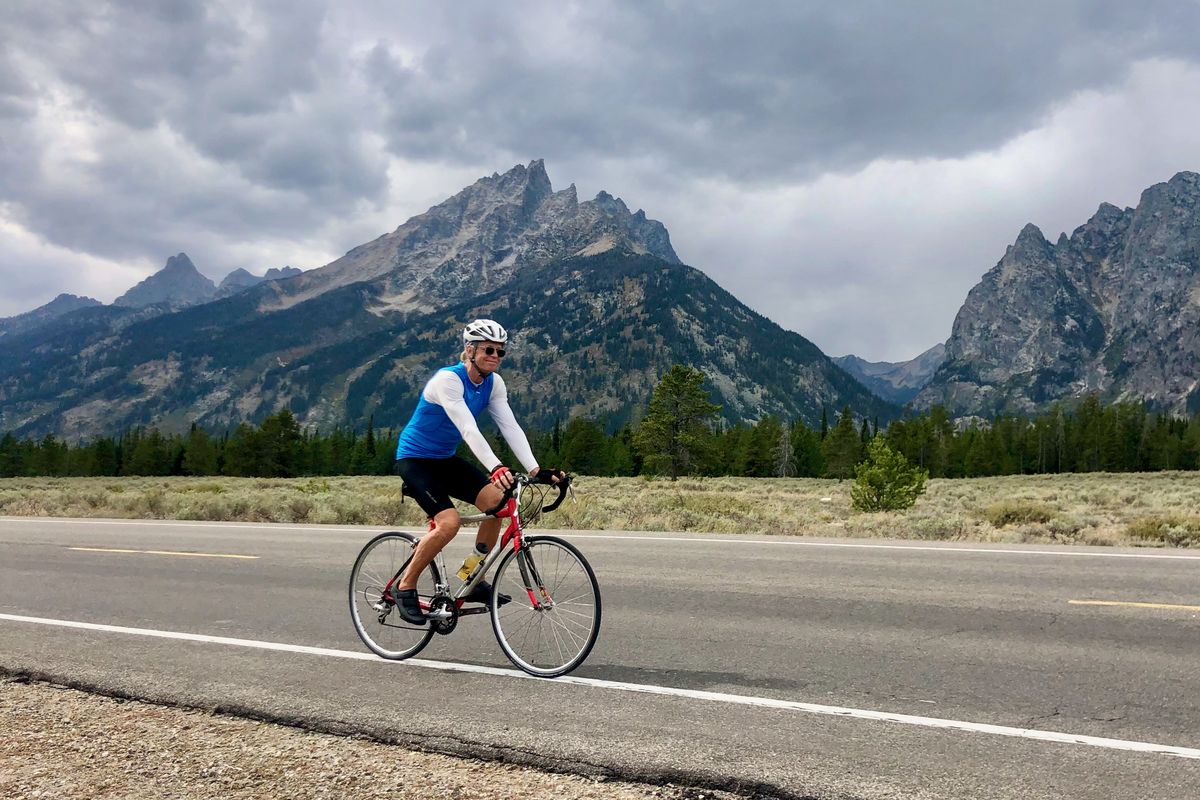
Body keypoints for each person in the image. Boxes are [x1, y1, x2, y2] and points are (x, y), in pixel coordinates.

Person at [392, 318, 562, 625]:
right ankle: (405, 585)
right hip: (415, 459)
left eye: (500, 352)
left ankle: (472, 572)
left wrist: (537, 469)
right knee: (448, 523)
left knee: (498, 505)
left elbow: (509, 426)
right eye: (488, 350)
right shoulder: (448, 380)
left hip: (444, 459)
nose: (495, 356)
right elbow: (467, 428)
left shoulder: (494, 384)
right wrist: (496, 466)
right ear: (470, 350)